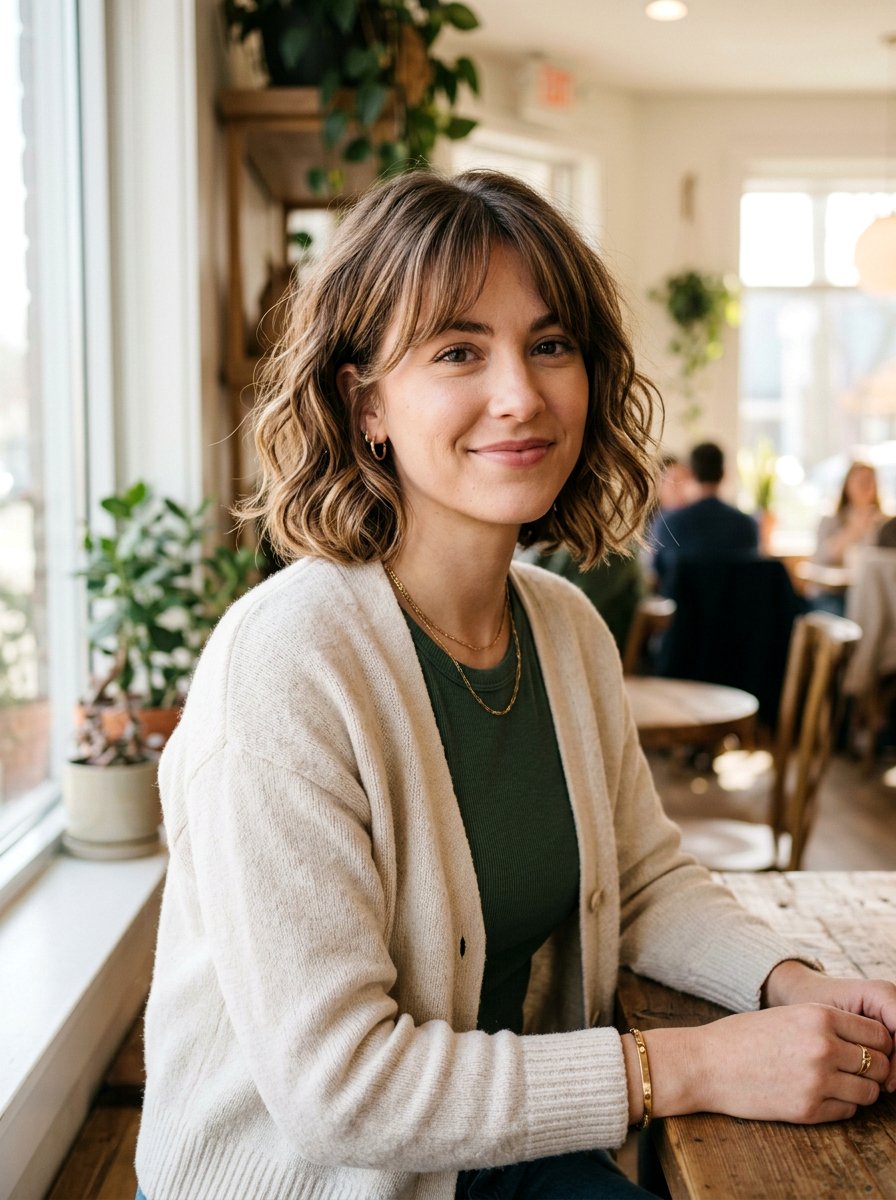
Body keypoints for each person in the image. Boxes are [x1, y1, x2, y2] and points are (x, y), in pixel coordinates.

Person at [134, 171, 896, 1200]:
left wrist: (796, 984)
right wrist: (697, 1065)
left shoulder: (564, 627)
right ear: (367, 407)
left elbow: (641, 885)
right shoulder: (285, 663)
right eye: (457, 351)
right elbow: (339, 1091)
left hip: (493, 1158)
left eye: (549, 345)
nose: (520, 394)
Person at [652, 440, 759, 595]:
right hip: (736, 617)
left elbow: (659, 578)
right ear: (723, 474)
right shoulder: (747, 525)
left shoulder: (668, 525)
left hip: (684, 616)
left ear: (691, 474)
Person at [809, 461, 885, 615]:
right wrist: (854, 529)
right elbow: (823, 557)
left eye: (870, 481)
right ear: (847, 485)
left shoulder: (884, 523)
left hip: (871, 592)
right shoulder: (830, 520)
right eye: (860, 481)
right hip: (835, 594)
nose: (865, 486)